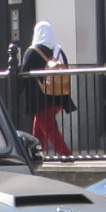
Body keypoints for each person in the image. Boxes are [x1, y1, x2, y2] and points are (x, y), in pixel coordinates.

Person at [22, 20, 75, 158]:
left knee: (50, 128)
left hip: (40, 98)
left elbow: (23, 73)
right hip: (58, 95)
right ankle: (35, 154)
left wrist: (17, 92)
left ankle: (66, 155)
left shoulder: (32, 52)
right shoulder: (59, 50)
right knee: (39, 126)